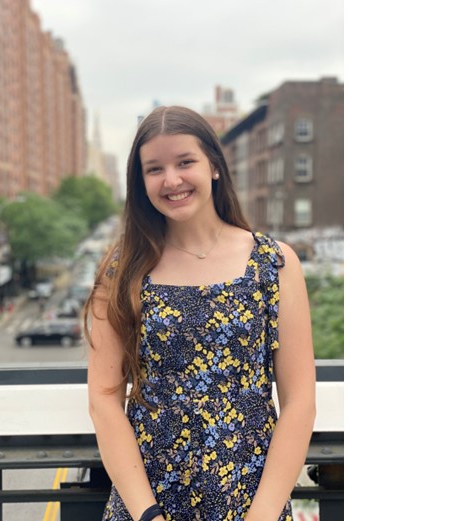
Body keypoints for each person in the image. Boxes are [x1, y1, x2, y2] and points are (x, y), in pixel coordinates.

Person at [84, 106, 316, 521]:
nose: (171, 180)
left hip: (248, 498)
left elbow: (299, 401)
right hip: (148, 502)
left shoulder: (274, 263)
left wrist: (260, 516)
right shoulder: (122, 270)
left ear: (213, 166)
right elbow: (104, 399)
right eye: (154, 169)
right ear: (140, 182)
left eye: (185, 162)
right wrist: (147, 514)